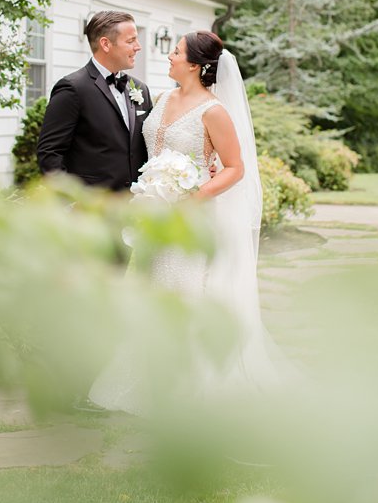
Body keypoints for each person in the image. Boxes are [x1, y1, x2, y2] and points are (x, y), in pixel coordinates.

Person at [89, 30, 292, 413]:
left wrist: (191, 199)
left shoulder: (214, 111)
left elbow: (234, 168)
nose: (169, 57)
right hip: (152, 216)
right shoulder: (163, 99)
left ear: (196, 65)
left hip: (190, 220)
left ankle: (190, 388)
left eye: (176, 52)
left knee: (183, 294)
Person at [36, 10, 153, 191]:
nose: (138, 46)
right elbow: (50, 153)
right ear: (105, 44)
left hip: (136, 206)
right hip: (91, 210)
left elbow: (151, 143)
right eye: (130, 41)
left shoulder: (140, 89)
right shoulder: (72, 88)